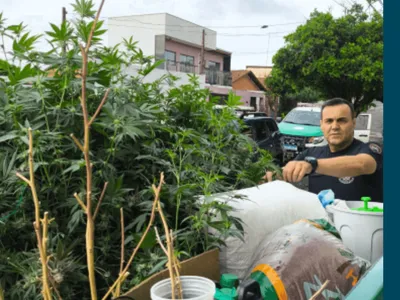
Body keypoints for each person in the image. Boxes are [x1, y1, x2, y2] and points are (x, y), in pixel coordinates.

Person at [265, 98, 383, 202]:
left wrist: (313, 165)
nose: (335, 127)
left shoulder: (369, 149)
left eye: (342, 120)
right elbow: (286, 172)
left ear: (353, 123)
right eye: (329, 121)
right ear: (321, 125)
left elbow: (362, 164)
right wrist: (270, 176)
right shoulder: (311, 153)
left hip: (360, 225)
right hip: (319, 225)